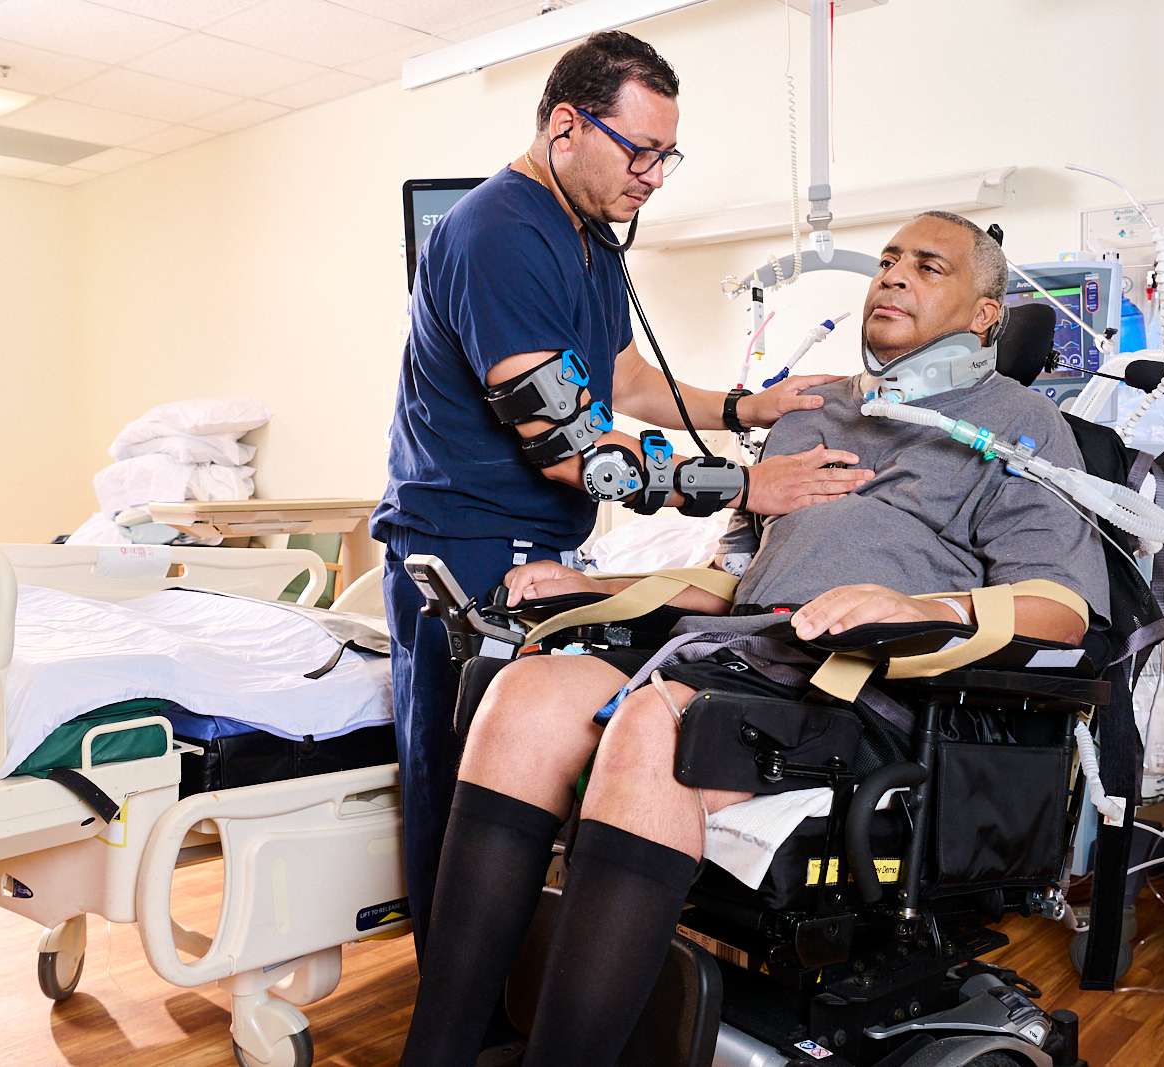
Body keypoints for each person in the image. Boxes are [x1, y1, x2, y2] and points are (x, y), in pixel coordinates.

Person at [399, 210, 1111, 1067]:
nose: (891, 275)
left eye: (928, 266)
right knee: (524, 695)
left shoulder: (1021, 424)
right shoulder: (815, 410)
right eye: (888, 259)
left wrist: (920, 605)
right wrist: (596, 586)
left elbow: (1061, 606)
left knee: (658, 724)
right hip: (739, 652)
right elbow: (730, 577)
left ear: (985, 314)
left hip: (868, 684)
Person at [371, 31, 874, 965]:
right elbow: (571, 449)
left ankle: (519, 989)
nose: (653, 175)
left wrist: (742, 406)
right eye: (638, 150)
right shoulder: (497, 233)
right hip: (468, 547)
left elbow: (620, 374)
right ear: (565, 126)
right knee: (464, 787)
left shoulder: (584, 234)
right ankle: (460, 1010)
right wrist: (748, 482)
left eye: (665, 155)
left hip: (534, 547)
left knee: (523, 780)